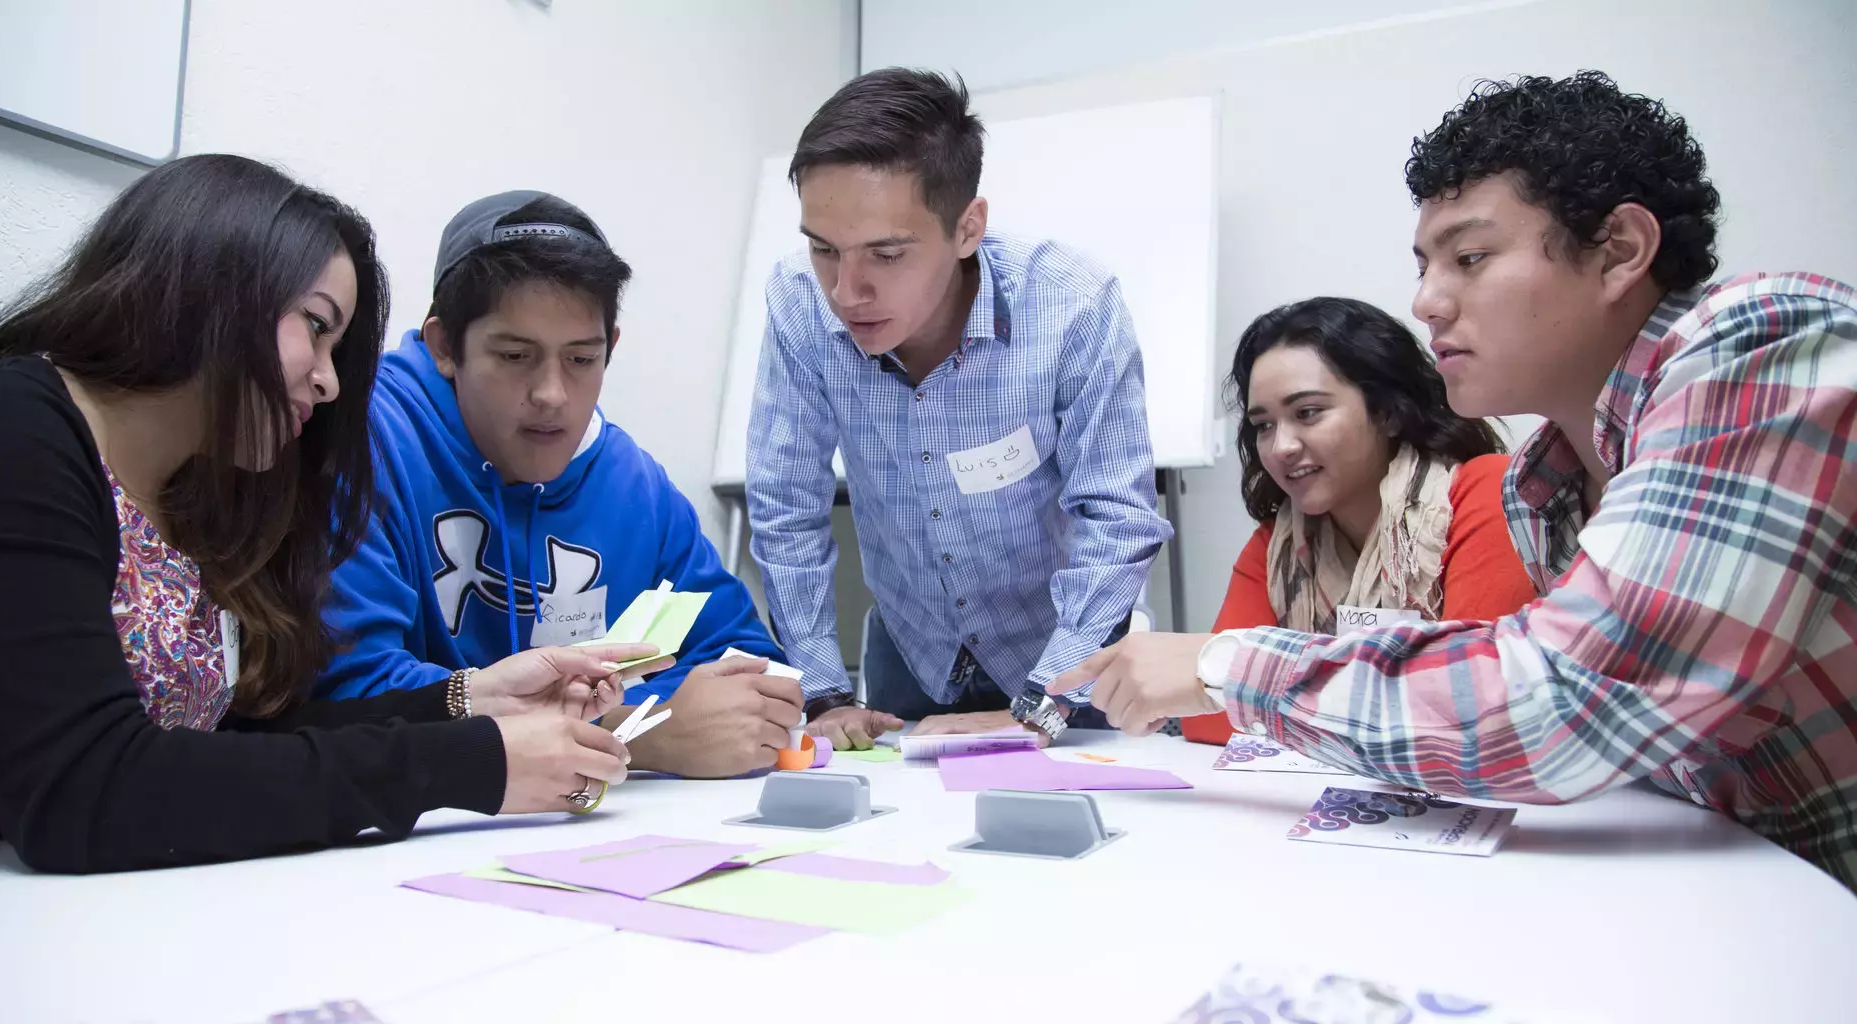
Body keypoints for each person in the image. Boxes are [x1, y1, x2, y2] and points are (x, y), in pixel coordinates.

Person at [1054, 72, 1857, 891]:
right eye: (1427, 264)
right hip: (1735, 887)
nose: (1427, 301)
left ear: (1618, 250)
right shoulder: (1545, 485)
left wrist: (1226, 666)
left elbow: (1552, 708)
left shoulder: (1757, 347)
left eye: (1470, 258)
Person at [0, 155, 659, 873]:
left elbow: (233, 744)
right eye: (314, 328)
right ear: (207, 289)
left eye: (337, 346)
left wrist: (467, 698)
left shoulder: (204, 495)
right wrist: (472, 762)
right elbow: (84, 791)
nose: (327, 379)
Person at [747, 67, 1173, 751]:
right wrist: (823, 691)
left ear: (968, 227)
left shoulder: (1071, 305)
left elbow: (1117, 519)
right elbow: (785, 505)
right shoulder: (799, 303)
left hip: (1069, 659)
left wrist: (1043, 704)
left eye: (886, 254)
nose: (846, 290)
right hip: (912, 655)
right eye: (824, 248)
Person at [315, 191, 796, 780]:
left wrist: (652, 714)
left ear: (609, 349)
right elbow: (350, 693)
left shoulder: (633, 488)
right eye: (515, 355)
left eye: (581, 360)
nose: (551, 395)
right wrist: (638, 729)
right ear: (445, 347)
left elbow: (746, 669)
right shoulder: (360, 444)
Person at [1179, 297, 1537, 745]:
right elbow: (1206, 717)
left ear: (1386, 411)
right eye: (1264, 425)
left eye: (1307, 413)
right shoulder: (1277, 545)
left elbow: (1472, 709)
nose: (1280, 446)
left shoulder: (1484, 491)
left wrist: (1262, 687)